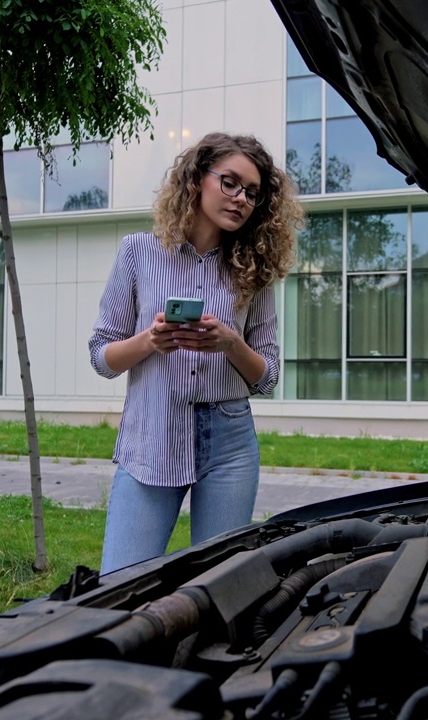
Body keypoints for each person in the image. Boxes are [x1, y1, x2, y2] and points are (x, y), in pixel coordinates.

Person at [88, 132, 302, 575]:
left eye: (253, 193)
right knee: (118, 586)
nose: (241, 198)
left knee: (215, 588)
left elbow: (267, 376)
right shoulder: (138, 253)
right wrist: (150, 341)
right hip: (153, 434)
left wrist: (231, 344)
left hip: (229, 443)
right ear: (196, 179)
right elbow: (100, 357)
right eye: (230, 182)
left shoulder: (252, 272)